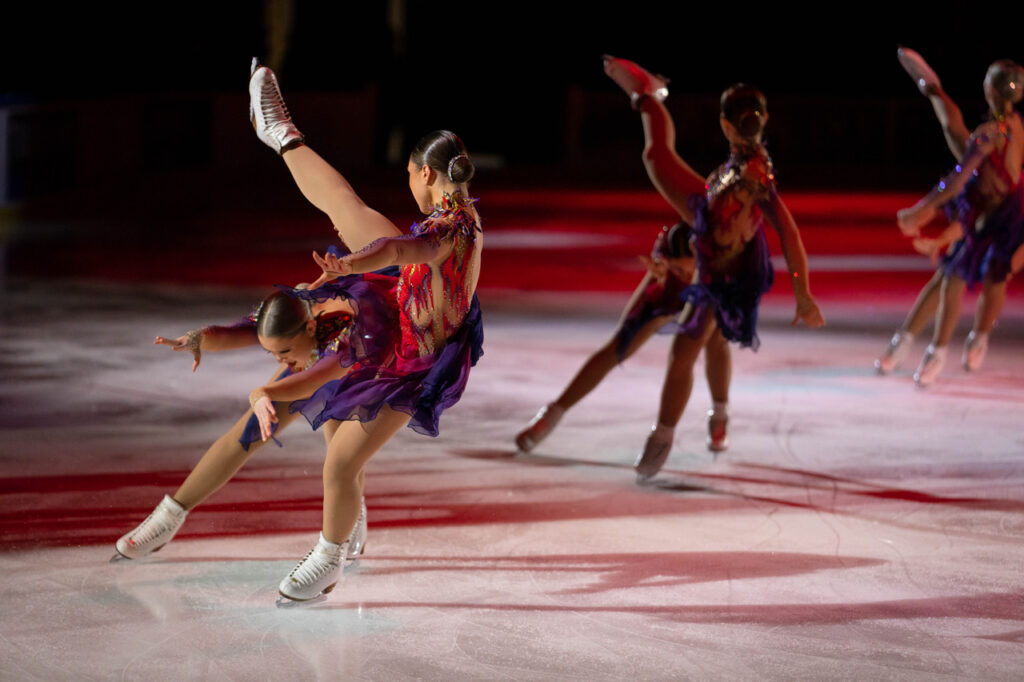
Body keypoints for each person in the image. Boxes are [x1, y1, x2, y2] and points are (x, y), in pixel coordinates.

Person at [244, 61, 483, 600]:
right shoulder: (459, 213)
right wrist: (365, 264)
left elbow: (402, 248)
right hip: (407, 304)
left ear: (425, 172)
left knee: (343, 458)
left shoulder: (448, 228)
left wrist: (353, 266)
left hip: (416, 359)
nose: (409, 187)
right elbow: (406, 252)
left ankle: (329, 558)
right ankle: (281, 133)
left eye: (408, 176)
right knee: (344, 206)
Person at [591, 57, 825, 481]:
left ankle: (663, 438)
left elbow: (788, 232)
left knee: (686, 348)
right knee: (655, 156)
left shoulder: (756, 173)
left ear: (725, 125)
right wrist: (801, 292)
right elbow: (785, 232)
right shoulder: (746, 165)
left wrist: (803, 292)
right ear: (761, 120)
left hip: (727, 275)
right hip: (710, 237)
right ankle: (712, 418)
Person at [114, 278, 398, 563]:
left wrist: (264, 393)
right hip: (315, 358)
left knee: (340, 455)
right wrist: (198, 338)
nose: (278, 361)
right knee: (245, 434)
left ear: (311, 328)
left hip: (356, 367)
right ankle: (165, 520)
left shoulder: (349, 333)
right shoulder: (292, 315)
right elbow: (239, 332)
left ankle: (348, 523)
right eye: (271, 352)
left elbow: (313, 380)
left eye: (284, 352)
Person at [515, 221, 735, 455]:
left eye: (685, 269)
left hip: (709, 291)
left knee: (714, 339)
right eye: (677, 269)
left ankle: (719, 416)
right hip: (668, 288)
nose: (681, 272)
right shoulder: (668, 262)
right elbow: (664, 266)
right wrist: (664, 273)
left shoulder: (716, 260)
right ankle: (552, 415)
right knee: (619, 345)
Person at [877, 49, 1024, 386]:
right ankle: (925, 342)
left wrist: (922, 210)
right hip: (996, 199)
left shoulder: (991, 134)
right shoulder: (1012, 124)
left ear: (990, 89)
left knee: (965, 277)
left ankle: (941, 350)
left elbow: (957, 180)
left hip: (1004, 213)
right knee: (955, 275)